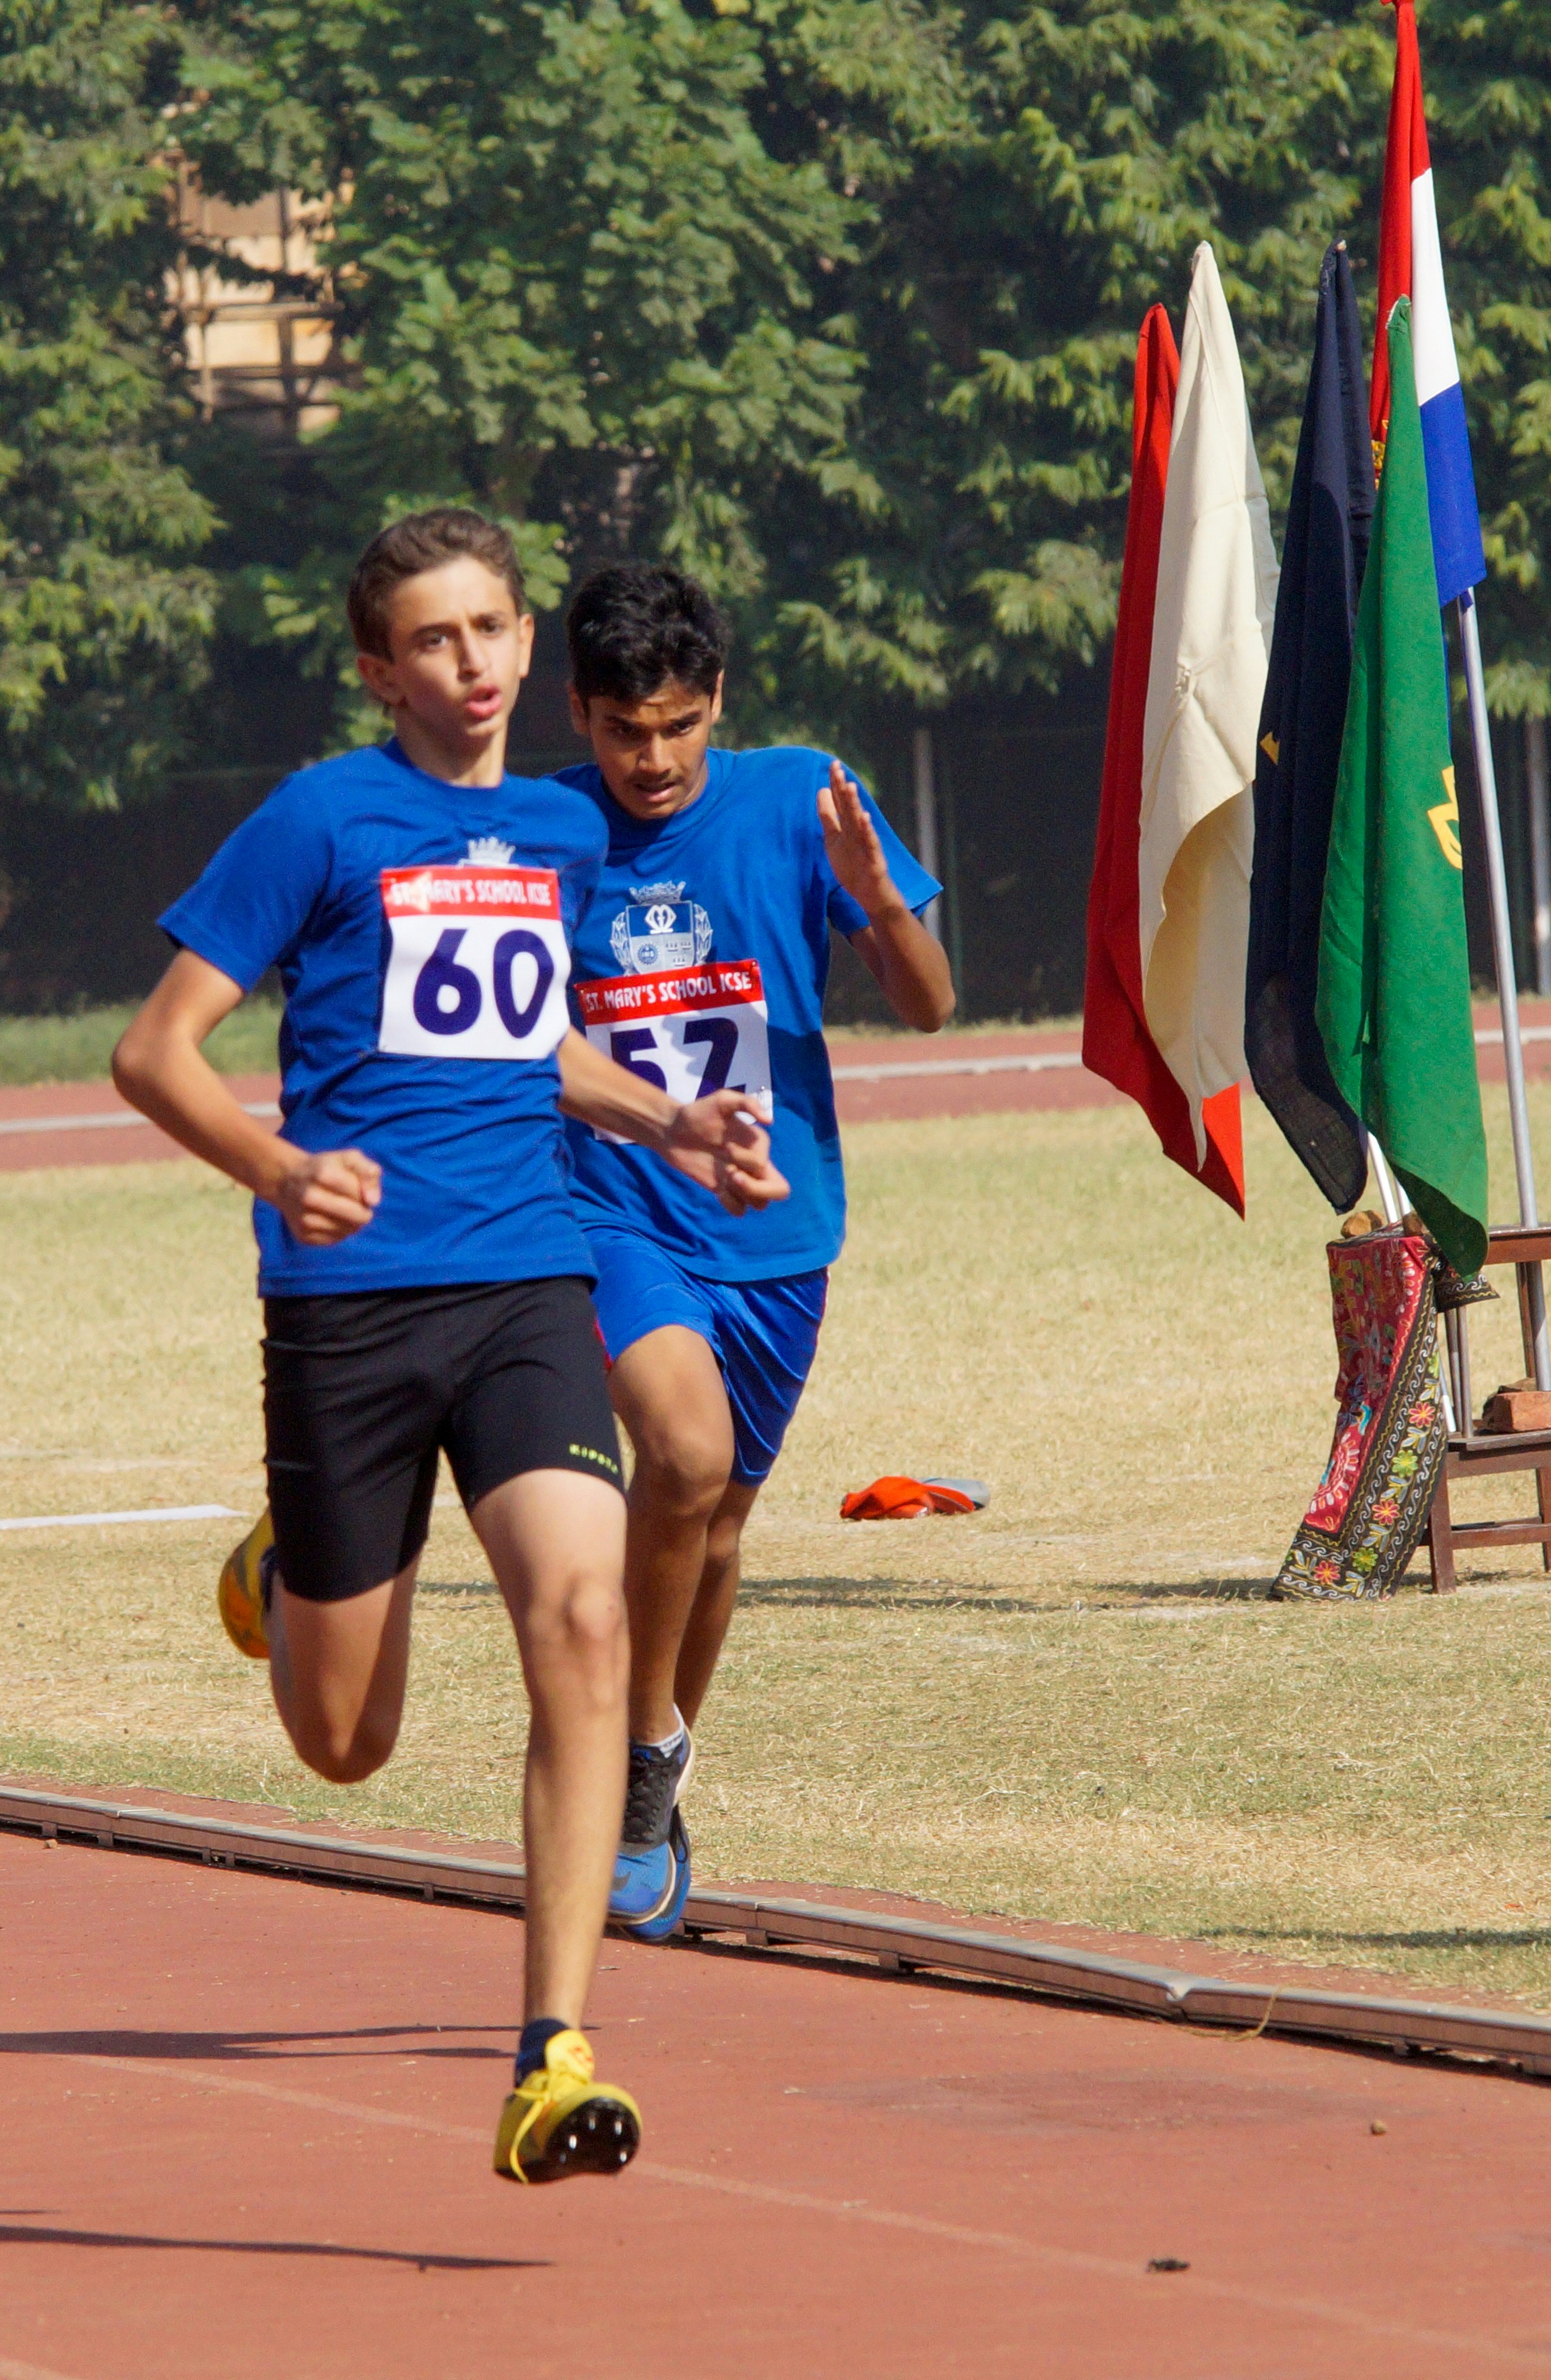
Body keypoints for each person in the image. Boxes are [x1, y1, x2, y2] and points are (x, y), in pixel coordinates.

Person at [111, 509, 788, 2180]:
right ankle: (296, 1565)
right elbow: (155, 1050)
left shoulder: (561, 829)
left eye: (492, 629)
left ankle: (549, 2051)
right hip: (348, 1304)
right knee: (346, 1740)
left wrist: (670, 1122)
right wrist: (275, 1166)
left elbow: (530, 1036)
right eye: (436, 638)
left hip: (521, 1283)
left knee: (576, 1608)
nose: (473, 663)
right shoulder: (322, 817)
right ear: (379, 669)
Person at [550, 564, 952, 1942]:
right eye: (620, 730)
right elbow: (507, 1035)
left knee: (716, 1528)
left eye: (674, 724)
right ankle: (634, 1765)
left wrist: (875, 898)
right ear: (579, 715)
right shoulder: (543, 832)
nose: (650, 759)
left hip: (779, 1228)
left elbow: (931, 1004)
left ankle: (650, 1766)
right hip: (607, 1214)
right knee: (682, 1454)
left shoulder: (801, 797)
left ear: (715, 696)